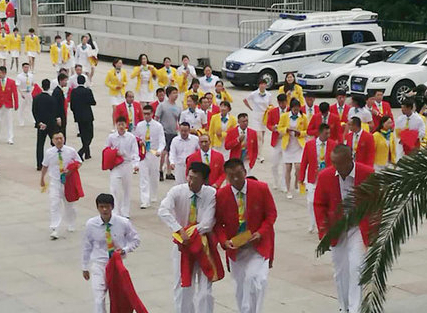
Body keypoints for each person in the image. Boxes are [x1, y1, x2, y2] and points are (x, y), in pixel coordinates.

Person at [314, 144, 374, 313]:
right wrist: (324, 230)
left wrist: (374, 228)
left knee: (356, 266)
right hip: (337, 229)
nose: (336, 168)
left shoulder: (367, 174)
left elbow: (377, 202)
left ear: (350, 160)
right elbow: (319, 204)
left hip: (358, 227)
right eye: (333, 163)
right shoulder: (325, 176)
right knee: (340, 270)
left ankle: (355, 308)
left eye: (339, 163)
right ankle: (344, 306)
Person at [214, 158, 277, 313]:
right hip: (236, 248)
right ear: (226, 177)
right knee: (241, 287)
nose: (236, 179)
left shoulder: (261, 188)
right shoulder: (222, 195)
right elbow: (217, 223)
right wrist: (224, 241)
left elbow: (271, 214)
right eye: (231, 176)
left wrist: (260, 233)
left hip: (258, 246)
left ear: (245, 172)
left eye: (238, 174)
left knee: (257, 279)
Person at [158, 162, 219, 313]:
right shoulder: (177, 191)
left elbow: (207, 223)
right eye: (189, 177)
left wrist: (189, 232)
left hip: (203, 245)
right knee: (183, 285)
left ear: (204, 181)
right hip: (182, 246)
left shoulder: (210, 193)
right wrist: (178, 229)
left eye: (195, 179)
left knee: (205, 288)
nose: (191, 182)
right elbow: (163, 210)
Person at [82, 193, 140, 313]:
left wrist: (125, 249)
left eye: (107, 207)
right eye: (101, 207)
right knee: (98, 298)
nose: (104, 210)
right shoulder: (91, 225)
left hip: (116, 265)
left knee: (119, 297)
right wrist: (85, 266)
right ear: (97, 207)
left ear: (112, 207)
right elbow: (87, 246)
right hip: (99, 264)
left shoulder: (123, 223)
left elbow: (135, 239)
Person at [40, 131, 82, 239]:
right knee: (54, 204)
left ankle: (71, 223)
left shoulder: (70, 151)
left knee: (70, 205)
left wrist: (71, 169)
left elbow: (79, 162)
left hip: (68, 182)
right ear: (53, 141)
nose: (59, 140)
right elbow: (45, 166)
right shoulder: (49, 152)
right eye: (56, 139)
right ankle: (55, 228)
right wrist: (42, 179)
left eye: (61, 138)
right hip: (55, 182)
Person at [299, 123, 336, 233]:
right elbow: (304, 162)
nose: (328, 135)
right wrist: (301, 177)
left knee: (326, 202)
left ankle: (324, 223)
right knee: (311, 201)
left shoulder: (333, 144)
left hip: (327, 178)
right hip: (313, 178)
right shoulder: (310, 145)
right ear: (320, 133)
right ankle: (312, 222)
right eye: (326, 133)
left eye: (329, 133)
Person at [105, 116, 139, 218]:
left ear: (126, 125)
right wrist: (114, 153)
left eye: (122, 124)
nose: (121, 126)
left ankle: (125, 212)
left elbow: (135, 152)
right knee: (114, 188)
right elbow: (106, 150)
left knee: (126, 189)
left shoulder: (131, 137)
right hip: (116, 165)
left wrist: (136, 164)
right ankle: (115, 211)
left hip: (127, 165)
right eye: (119, 124)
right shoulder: (111, 137)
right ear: (116, 125)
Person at [134, 104, 165, 209]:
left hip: (154, 152)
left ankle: (153, 195)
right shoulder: (139, 125)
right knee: (144, 177)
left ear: (152, 114)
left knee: (154, 175)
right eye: (145, 114)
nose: (146, 116)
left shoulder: (158, 126)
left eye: (148, 114)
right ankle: (144, 200)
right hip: (143, 153)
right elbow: (136, 139)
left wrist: (159, 151)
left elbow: (162, 141)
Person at [277, 99, 308, 199]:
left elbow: (307, 130)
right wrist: (286, 129)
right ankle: (288, 189)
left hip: (298, 144)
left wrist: (300, 133)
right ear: (291, 108)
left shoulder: (303, 117)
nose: (296, 111)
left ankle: (296, 182)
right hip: (288, 144)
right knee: (288, 168)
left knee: (299, 167)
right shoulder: (284, 116)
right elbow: (279, 128)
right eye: (294, 109)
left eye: (298, 109)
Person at [155, 86, 181, 181]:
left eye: (177, 93)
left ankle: (169, 172)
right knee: (164, 152)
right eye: (174, 93)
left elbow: (179, 121)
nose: (176, 95)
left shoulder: (178, 108)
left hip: (173, 132)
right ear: (169, 94)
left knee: (171, 153)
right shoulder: (162, 105)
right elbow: (156, 118)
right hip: (164, 132)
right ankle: (160, 170)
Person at [32, 79, 60, 170]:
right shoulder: (52, 99)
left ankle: (39, 164)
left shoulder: (36, 98)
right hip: (51, 124)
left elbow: (34, 111)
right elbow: (54, 112)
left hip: (41, 125)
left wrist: (39, 122)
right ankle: (55, 161)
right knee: (55, 143)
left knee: (40, 144)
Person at [243, 79, 272, 163]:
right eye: (261, 84)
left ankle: (258, 151)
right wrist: (251, 108)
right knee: (258, 135)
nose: (262, 86)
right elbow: (245, 100)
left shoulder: (269, 95)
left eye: (264, 84)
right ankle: (260, 155)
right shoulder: (254, 94)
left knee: (262, 137)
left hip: (264, 117)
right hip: (256, 116)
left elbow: (270, 105)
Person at [70, 75, 96, 160]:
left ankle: (87, 153)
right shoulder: (88, 91)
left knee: (83, 134)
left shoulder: (74, 92)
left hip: (79, 116)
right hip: (87, 115)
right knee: (90, 135)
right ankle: (81, 151)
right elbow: (93, 102)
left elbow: (72, 105)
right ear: (84, 81)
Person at [266, 93, 287, 191]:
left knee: (285, 164)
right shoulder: (273, 112)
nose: (282, 104)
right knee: (274, 163)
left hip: (286, 141)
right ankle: (276, 181)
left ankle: (283, 184)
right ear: (278, 102)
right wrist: (272, 128)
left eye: (284, 102)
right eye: (280, 103)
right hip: (276, 140)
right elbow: (268, 124)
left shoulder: (290, 111)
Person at [105, 58, 127, 131]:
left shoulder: (124, 72)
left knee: (121, 110)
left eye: (121, 63)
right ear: (115, 64)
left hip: (121, 93)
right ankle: (114, 125)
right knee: (115, 109)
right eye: (119, 63)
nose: (120, 64)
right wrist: (114, 86)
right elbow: (106, 82)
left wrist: (123, 84)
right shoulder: (110, 72)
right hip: (113, 93)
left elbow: (126, 81)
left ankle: (121, 124)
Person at [0, 65, 17, 144]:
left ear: (4, 73)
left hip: (8, 104)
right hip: (0, 104)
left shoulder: (11, 82)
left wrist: (16, 104)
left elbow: (15, 93)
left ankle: (10, 138)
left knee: (9, 122)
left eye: (0, 73)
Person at [16, 62, 34, 126]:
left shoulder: (31, 75)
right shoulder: (19, 76)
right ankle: (21, 121)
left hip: (29, 92)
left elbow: (32, 83)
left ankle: (32, 119)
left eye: (27, 67)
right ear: (23, 68)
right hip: (23, 92)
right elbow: (17, 86)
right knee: (21, 108)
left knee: (30, 106)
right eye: (25, 67)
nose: (26, 69)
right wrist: (21, 94)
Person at [52, 73, 69, 140]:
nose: (66, 82)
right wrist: (57, 117)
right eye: (65, 80)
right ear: (61, 81)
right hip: (60, 117)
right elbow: (55, 105)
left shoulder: (60, 90)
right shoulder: (57, 92)